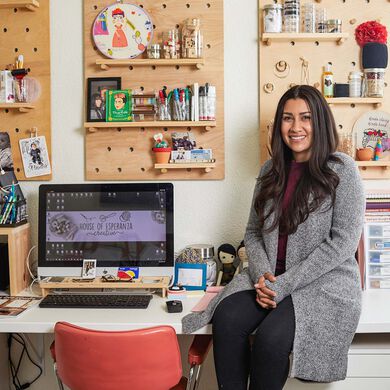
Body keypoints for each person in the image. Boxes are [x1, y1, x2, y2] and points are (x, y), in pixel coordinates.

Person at [182, 85, 365, 389]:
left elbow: (342, 242)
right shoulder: (270, 170)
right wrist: (264, 278)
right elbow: (253, 232)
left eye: (305, 118)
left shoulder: (342, 170)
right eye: (287, 118)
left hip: (321, 283)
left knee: (270, 340)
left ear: (319, 121)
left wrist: (283, 285)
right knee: (226, 320)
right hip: (268, 279)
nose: (295, 127)